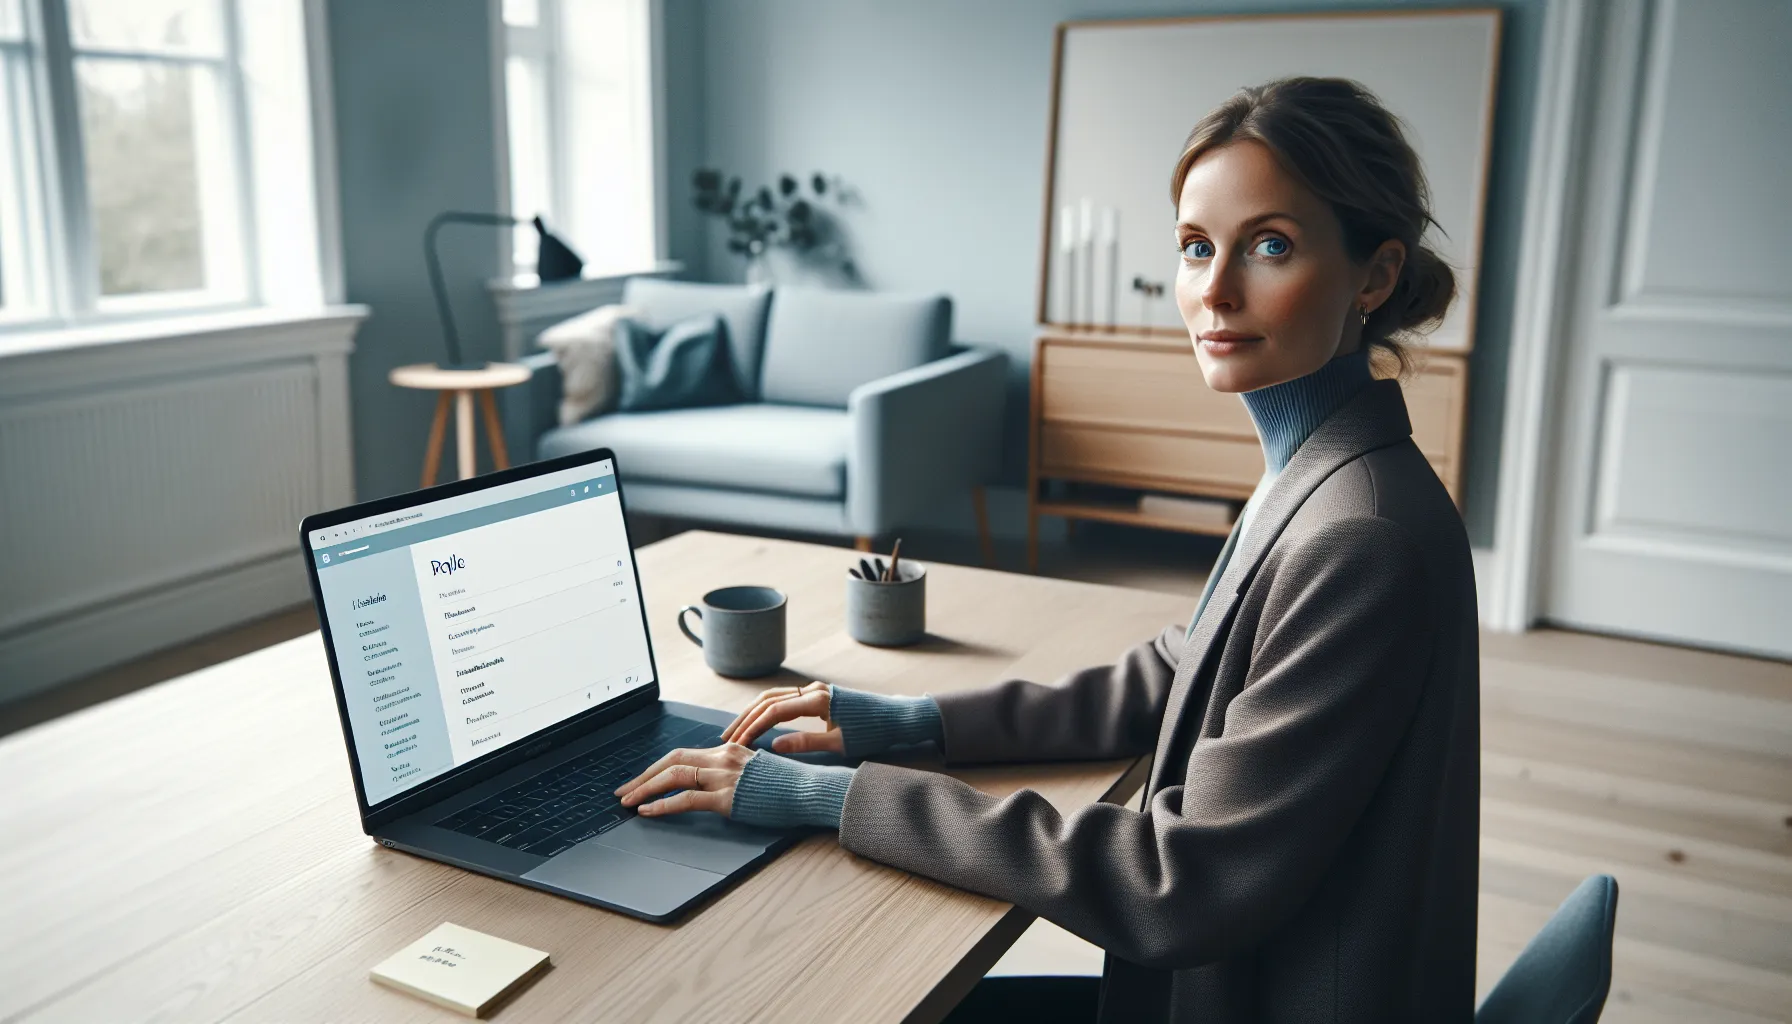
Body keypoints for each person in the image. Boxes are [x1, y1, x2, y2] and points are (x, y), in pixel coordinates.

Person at [613, 76, 1480, 1024]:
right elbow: (1181, 670)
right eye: (1196, 247)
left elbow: (1177, 884)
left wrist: (839, 796)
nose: (1215, 291)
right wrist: (909, 724)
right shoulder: (1320, 466)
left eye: (1270, 245)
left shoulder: (1361, 534)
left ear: (1376, 274)